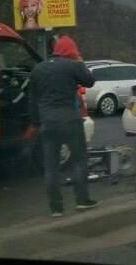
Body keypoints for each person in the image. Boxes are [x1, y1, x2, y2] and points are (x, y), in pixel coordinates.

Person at [29, 35, 98, 217]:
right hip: (70, 121)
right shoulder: (73, 65)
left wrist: (35, 123)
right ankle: (82, 200)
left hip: (48, 123)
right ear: (71, 51)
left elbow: (33, 100)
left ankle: (56, 208)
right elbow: (89, 81)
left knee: (51, 166)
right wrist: (80, 62)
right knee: (79, 160)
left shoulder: (38, 69)